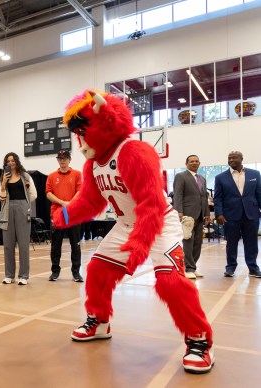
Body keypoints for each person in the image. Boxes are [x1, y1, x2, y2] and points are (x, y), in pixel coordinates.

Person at [53, 90, 213, 373]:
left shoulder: (135, 152)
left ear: (105, 124)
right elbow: (91, 201)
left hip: (159, 223)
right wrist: (65, 214)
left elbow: (151, 204)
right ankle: (100, 321)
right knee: (98, 270)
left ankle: (199, 340)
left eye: (83, 133)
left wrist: (141, 244)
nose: (80, 142)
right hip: (127, 224)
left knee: (170, 283)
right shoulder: (92, 165)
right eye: (77, 135)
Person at [214, 151, 261, 278]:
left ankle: (253, 268)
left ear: (241, 158)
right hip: (230, 215)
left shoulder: (255, 174)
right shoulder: (220, 177)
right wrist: (219, 214)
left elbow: (259, 194)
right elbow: (218, 198)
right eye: (229, 158)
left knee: (251, 243)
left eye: (234, 158)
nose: (230, 160)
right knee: (231, 243)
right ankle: (230, 268)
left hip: (251, 214)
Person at [0, 152, 37, 285]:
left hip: (22, 209)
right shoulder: (4, 177)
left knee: (23, 245)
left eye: (13, 160)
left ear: (17, 161)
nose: (11, 163)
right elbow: (1, 197)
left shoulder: (25, 176)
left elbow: (33, 195)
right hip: (7, 210)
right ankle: (9, 275)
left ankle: (24, 276)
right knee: (8, 245)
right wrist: (3, 182)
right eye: (8, 161)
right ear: (5, 163)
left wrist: (24, 205)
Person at [46, 149, 83, 282]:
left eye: (65, 158)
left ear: (69, 159)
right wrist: (62, 203)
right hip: (57, 214)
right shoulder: (51, 176)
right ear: (57, 160)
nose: (62, 160)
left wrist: (70, 203)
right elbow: (48, 193)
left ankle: (76, 273)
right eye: (60, 158)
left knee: (76, 244)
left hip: (74, 214)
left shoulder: (77, 174)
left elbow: (80, 191)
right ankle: (55, 272)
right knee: (56, 245)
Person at [173, 155, 211, 279]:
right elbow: (177, 195)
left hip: (200, 215)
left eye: (196, 161)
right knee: (188, 241)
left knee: (198, 242)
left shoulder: (202, 179)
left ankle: (192, 266)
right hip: (187, 214)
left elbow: (204, 197)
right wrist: (179, 211)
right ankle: (188, 268)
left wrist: (207, 213)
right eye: (191, 161)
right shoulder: (181, 176)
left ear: (199, 163)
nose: (194, 163)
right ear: (186, 163)